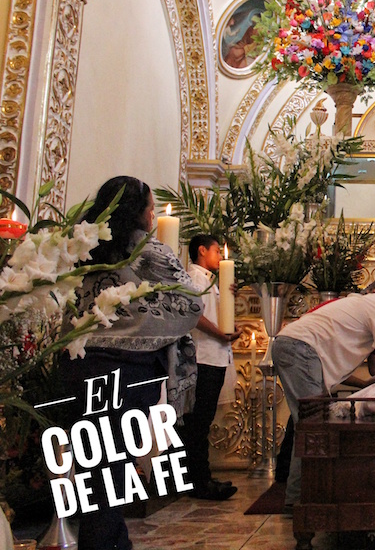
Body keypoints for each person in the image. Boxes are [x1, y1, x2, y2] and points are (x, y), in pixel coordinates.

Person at [60, 176, 203, 550]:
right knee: (115, 462)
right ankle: (107, 542)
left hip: (80, 364)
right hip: (127, 371)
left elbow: (69, 302)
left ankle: (104, 540)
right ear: (138, 212)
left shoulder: (84, 247)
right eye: (151, 208)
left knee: (93, 462)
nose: (153, 216)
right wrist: (141, 327)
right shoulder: (149, 251)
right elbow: (191, 304)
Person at [273, 278, 375, 512]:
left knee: (309, 424)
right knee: (314, 428)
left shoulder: (370, 305)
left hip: (294, 346)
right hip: (300, 349)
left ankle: (300, 495)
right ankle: (299, 500)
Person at [180, 234, 240, 501]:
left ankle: (201, 477)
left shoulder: (211, 280)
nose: (221, 256)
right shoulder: (194, 277)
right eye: (217, 251)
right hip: (203, 356)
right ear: (202, 251)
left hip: (215, 356)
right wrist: (220, 334)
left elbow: (216, 314)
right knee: (198, 422)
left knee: (202, 420)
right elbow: (194, 315)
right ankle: (199, 480)